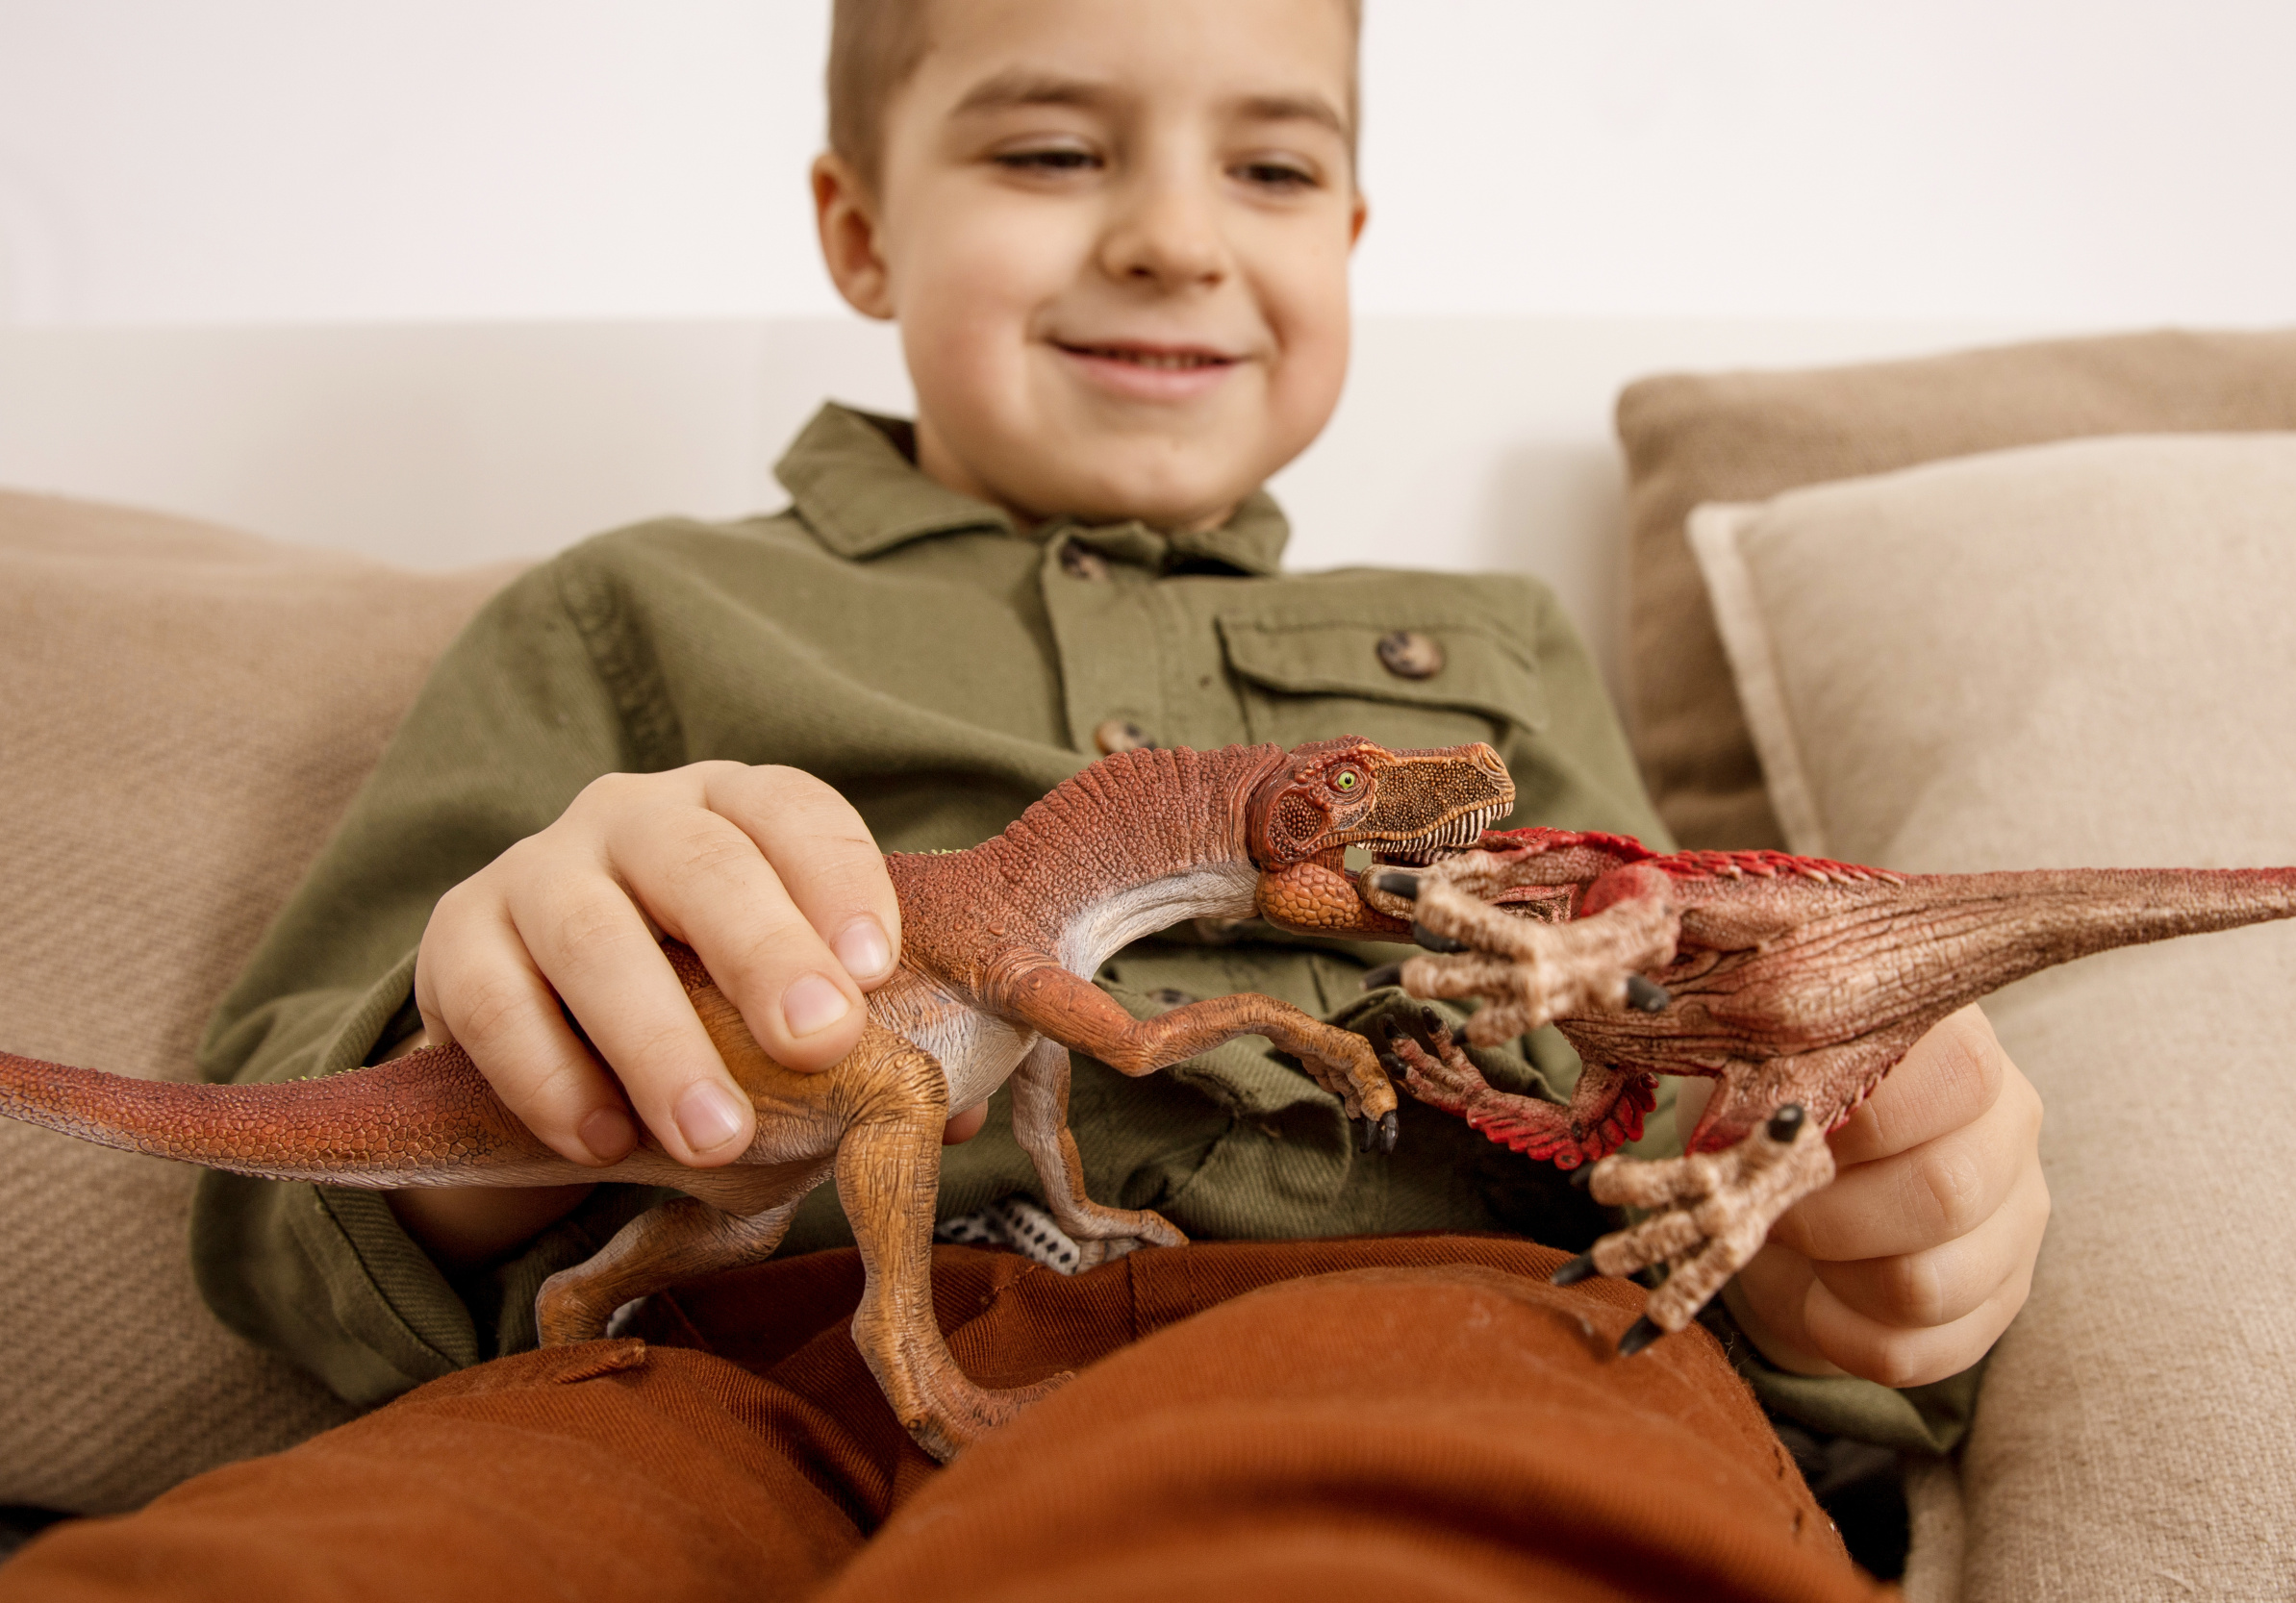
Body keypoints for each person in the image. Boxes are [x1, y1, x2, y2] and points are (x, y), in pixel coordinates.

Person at [7, 2, 2045, 1596]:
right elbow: (285, 1205)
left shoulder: (1483, 652)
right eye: (1052, 147)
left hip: (1400, 1334)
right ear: (860, 226)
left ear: (1342, 241)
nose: (1168, 232)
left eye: (1267, 164)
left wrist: (1834, 1239)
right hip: (724, 1367)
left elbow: (1653, 1083)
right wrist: (539, 1049)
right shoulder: (639, 614)